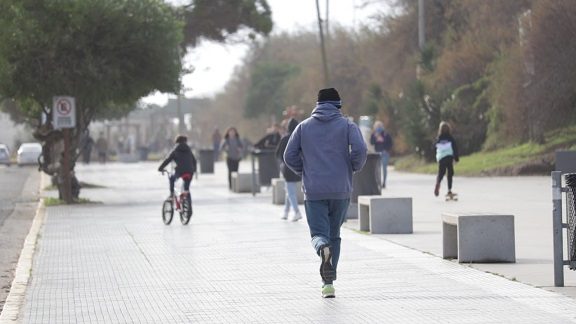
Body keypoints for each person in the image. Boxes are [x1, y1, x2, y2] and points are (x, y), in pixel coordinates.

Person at [284, 88, 367, 298]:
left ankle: (322, 250)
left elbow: (288, 155)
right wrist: (352, 167)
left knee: (319, 235)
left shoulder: (303, 127)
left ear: (317, 104)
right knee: (335, 235)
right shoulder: (348, 125)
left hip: (314, 190)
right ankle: (328, 282)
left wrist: (303, 170)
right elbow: (360, 150)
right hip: (340, 189)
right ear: (338, 105)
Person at [275, 118, 303, 222]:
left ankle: (297, 212)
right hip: (299, 168)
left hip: (287, 168)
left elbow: (278, 154)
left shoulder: (285, 138)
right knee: (290, 190)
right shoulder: (301, 138)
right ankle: (286, 212)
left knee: (290, 191)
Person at [434, 121, 459, 198]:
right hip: (449, 157)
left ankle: (438, 183)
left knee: (441, 172)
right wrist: (456, 158)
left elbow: (434, 147)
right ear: (448, 129)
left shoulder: (438, 138)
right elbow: (455, 148)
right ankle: (449, 190)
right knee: (450, 173)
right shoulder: (450, 138)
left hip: (441, 158)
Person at [370, 121, 393, 188]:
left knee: (384, 168)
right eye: (377, 127)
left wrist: (383, 141)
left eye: (379, 127)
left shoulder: (386, 134)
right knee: (377, 169)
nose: (378, 128)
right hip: (377, 153)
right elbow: (371, 142)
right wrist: (376, 139)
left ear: (382, 127)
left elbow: (390, 144)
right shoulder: (374, 134)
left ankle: (384, 182)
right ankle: (378, 182)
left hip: (384, 153)